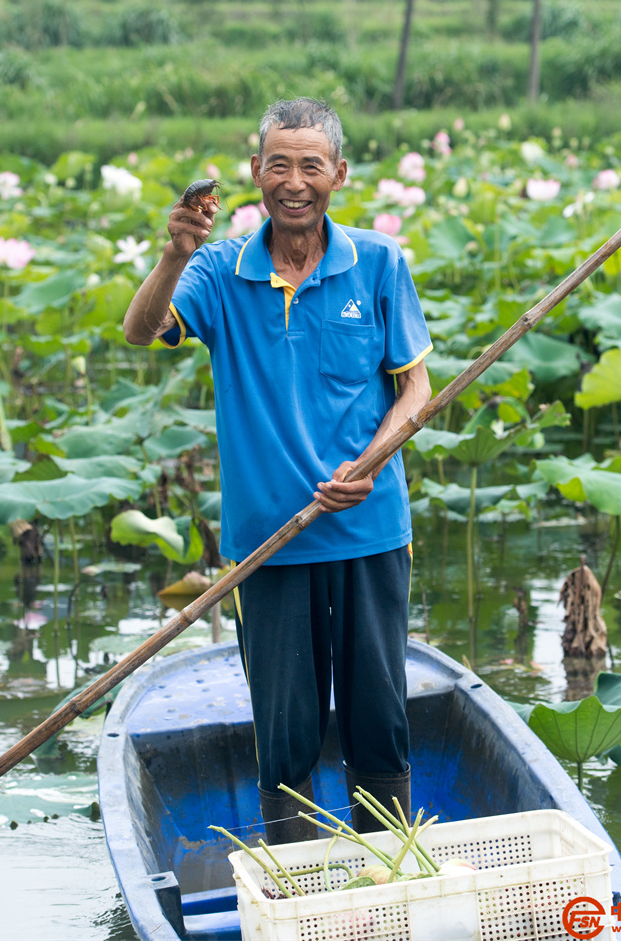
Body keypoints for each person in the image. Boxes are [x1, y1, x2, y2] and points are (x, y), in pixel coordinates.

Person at [123, 98, 432, 843]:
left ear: (339, 175)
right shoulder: (219, 270)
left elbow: (415, 389)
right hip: (270, 541)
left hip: (368, 529)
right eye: (279, 165)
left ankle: (387, 867)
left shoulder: (380, 264)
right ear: (256, 172)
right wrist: (173, 252)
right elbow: (141, 331)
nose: (295, 182)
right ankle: (293, 880)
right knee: (285, 728)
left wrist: (371, 463)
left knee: (378, 719)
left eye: (312, 166)